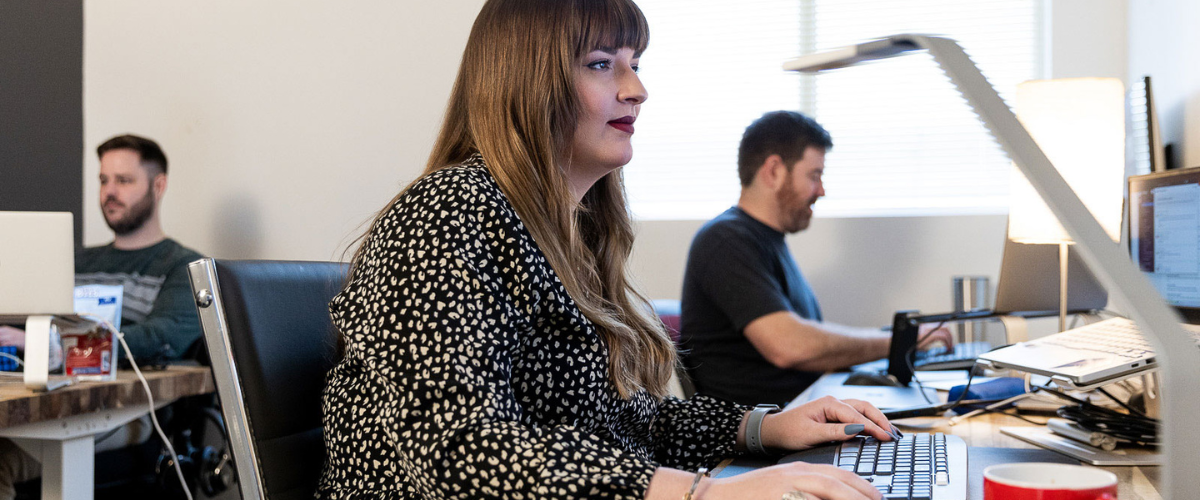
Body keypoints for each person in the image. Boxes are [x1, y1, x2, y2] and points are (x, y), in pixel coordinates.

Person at [319, 2, 897, 500]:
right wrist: (705, 491)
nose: (637, 90)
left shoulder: (564, 234)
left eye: (635, 64)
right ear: (527, 82)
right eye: (601, 64)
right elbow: (458, 450)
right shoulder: (449, 211)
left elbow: (619, 424)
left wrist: (764, 428)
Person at [680, 111, 953, 407]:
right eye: (814, 175)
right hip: (762, 439)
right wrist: (901, 344)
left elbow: (807, 346)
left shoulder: (766, 241)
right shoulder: (725, 241)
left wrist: (895, 343)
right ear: (774, 171)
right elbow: (790, 346)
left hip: (798, 417)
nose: (821, 190)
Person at [0, 134, 203, 499]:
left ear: (158, 186)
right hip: (45, 402)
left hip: (123, 413)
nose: (110, 191)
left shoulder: (181, 265)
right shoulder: (75, 260)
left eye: (123, 181)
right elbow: (24, 322)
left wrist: (50, 343)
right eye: (103, 180)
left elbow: (161, 337)